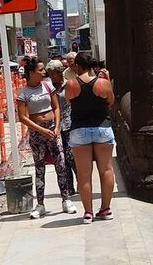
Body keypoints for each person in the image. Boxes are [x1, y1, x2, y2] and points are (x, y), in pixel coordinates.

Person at [16, 57, 76, 219]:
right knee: (40, 168)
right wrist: (40, 129)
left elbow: (56, 107)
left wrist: (56, 127)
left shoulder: (48, 86)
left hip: (53, 130)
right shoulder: (23, 93)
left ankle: (66, 199)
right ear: (31, 73)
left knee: (61, 164)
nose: (44, 72)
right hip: (37, 133)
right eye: (40, 70)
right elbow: (23, 117)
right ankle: (40, 204)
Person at [65, 51, 116, 223]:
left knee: (84, 173)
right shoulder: (103, 83)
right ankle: (106, 209)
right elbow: (110, 101)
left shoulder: (71, 84)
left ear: (78, 66)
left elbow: (70, 101)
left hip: (79, 130)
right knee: (106, 169)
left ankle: (88, 212)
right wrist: (107, 80)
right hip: (102, 128)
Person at [45, 59, 76, 195]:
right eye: (50, 74)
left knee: (71, 156)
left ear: (59, 72)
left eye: (53, 74)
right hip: (55, 126)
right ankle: (69, 187)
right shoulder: (48, 88)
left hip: (69, 124)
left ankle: (81, 182)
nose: (51, 77)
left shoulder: (68, 85)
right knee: (61, 159)